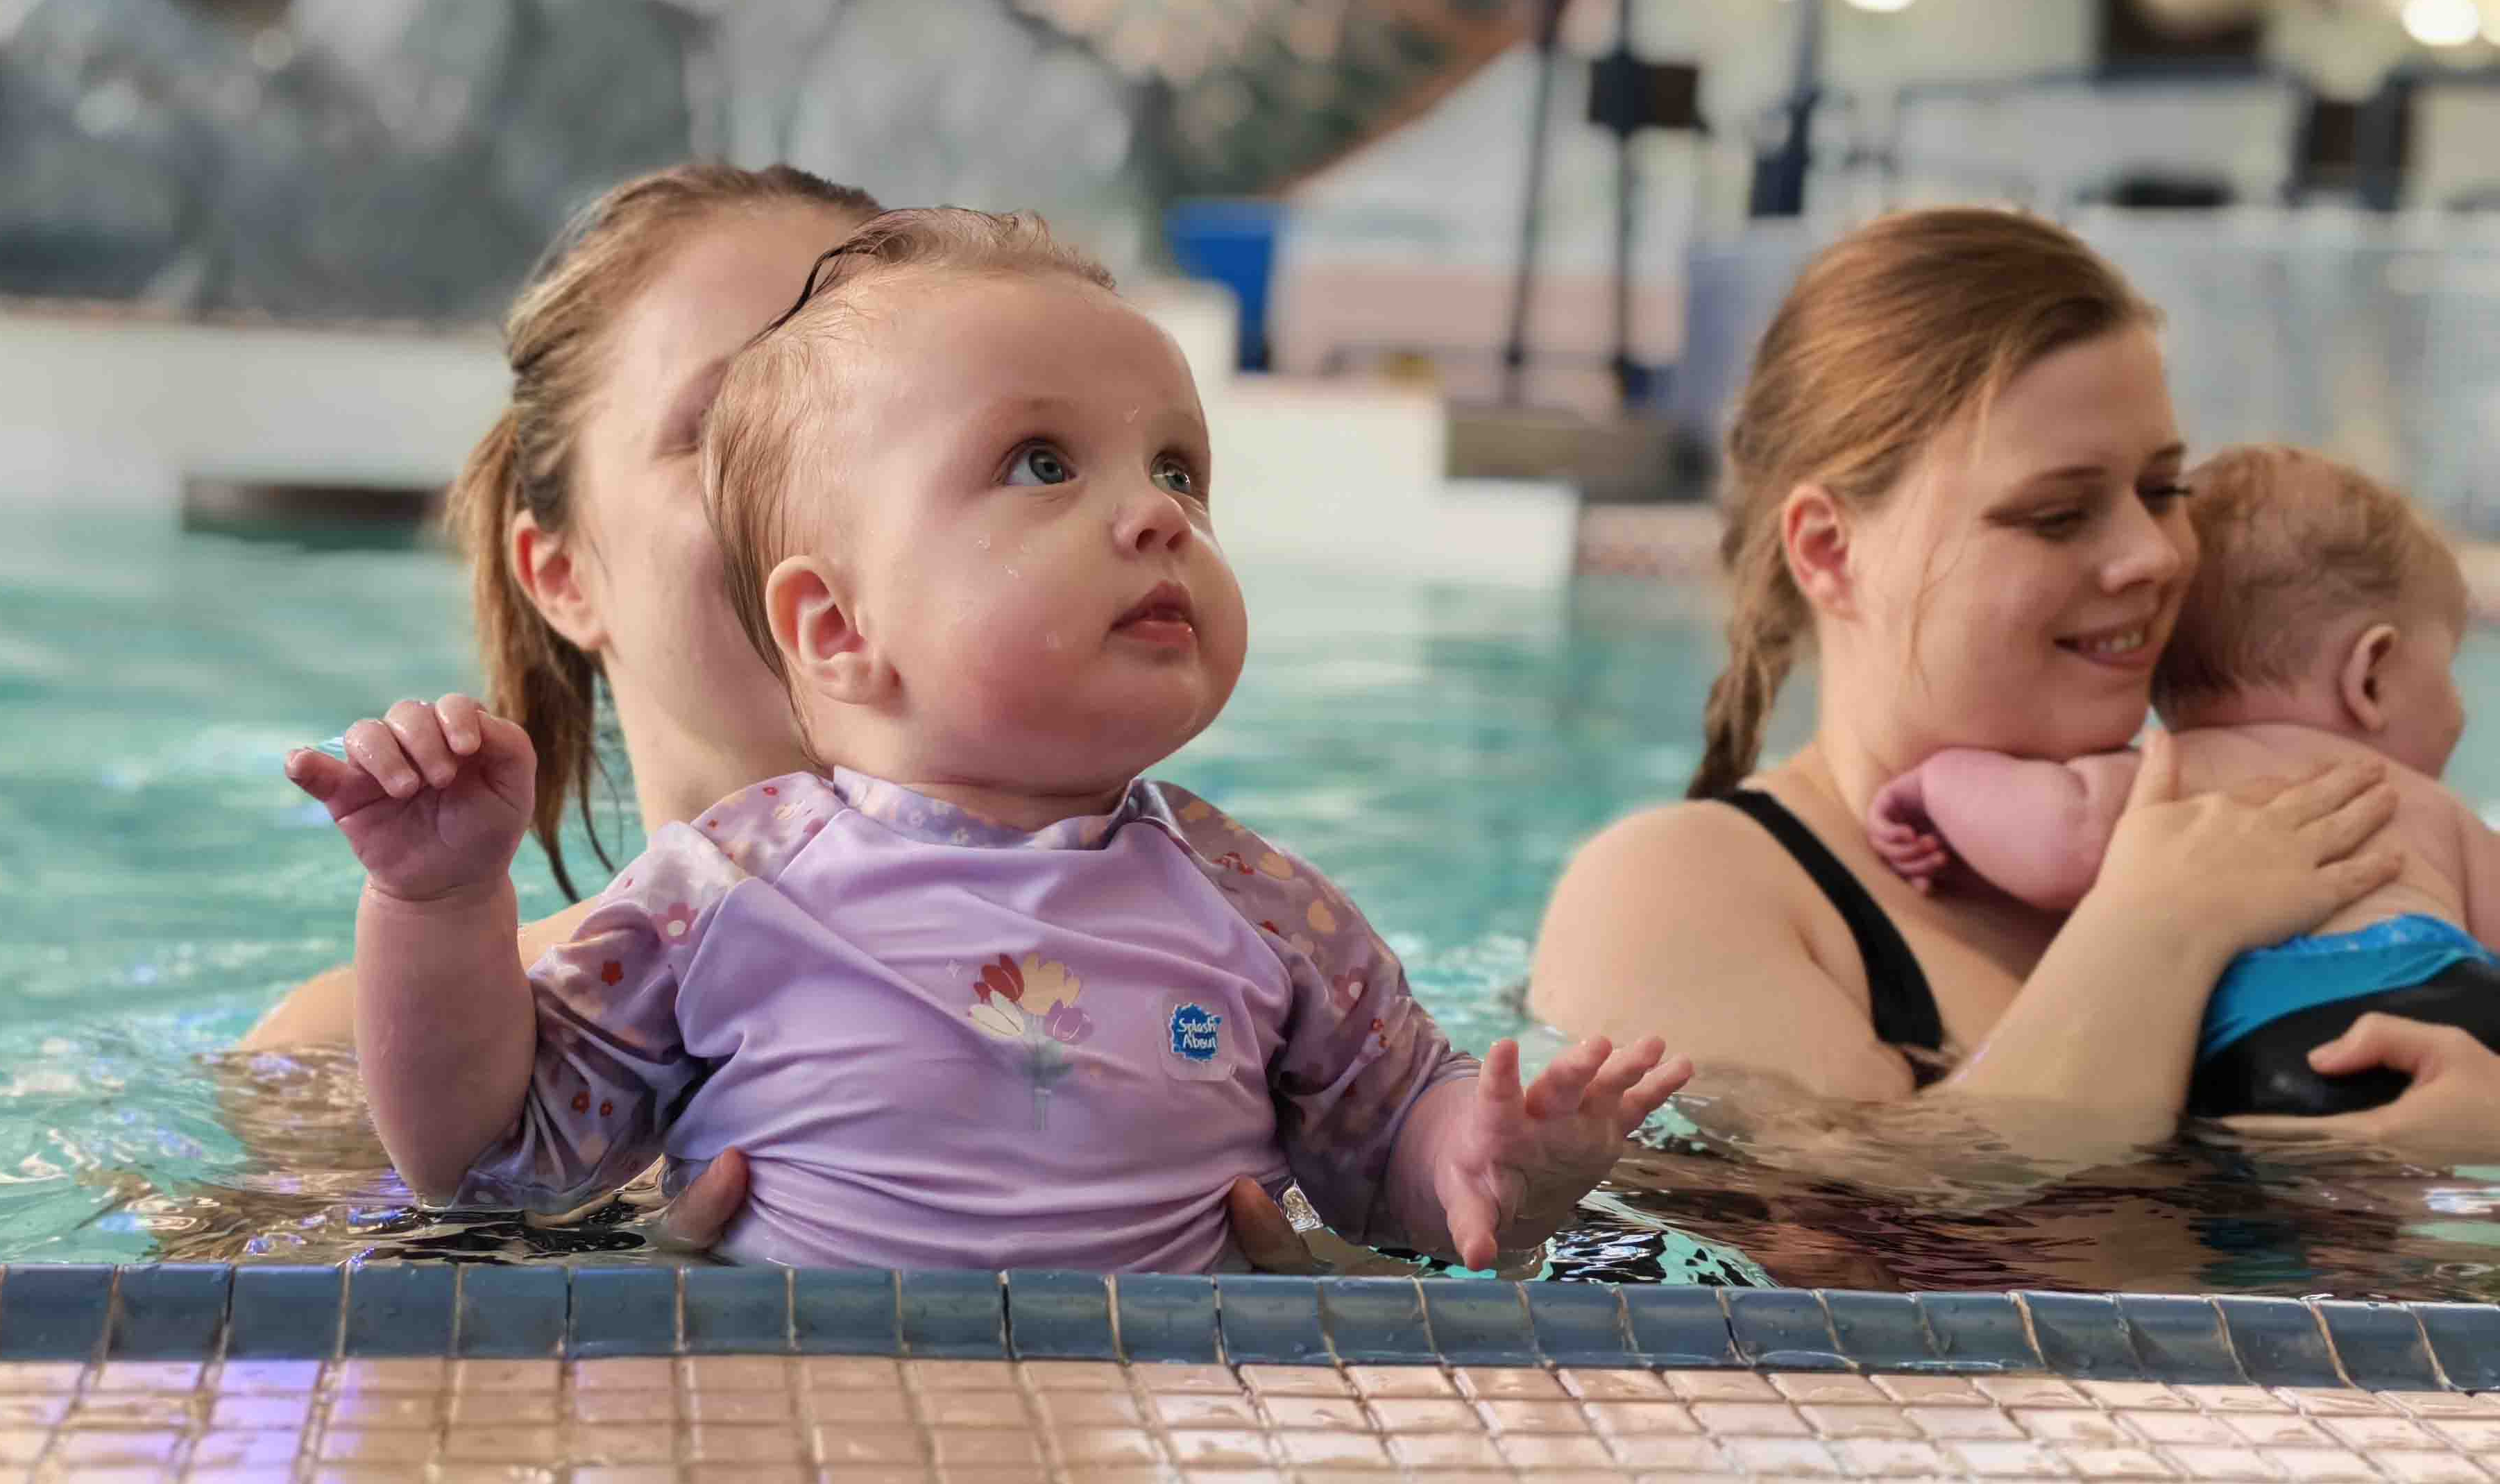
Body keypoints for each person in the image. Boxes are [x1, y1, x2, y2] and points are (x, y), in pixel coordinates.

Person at [289, 208, 1692, 1272]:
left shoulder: (1261, 907)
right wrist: (437, 900)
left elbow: (1393, 1147)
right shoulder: (719, 898)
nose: (1157, 517)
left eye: (1178, 471)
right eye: (1041, 464)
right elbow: (490, 1158)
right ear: (835, 626)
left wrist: (1494, 1157)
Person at [245, 162, 1309, 1256]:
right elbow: (216, 1363)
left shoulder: (1235, 965)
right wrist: (584, 1271)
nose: (807, 486)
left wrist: (1323, 1278)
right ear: (559, 571)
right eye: (728, 430)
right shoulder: (336, 1056)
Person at [1527, 207, 2451, 1156]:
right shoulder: (1678, 888)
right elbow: (1884, 1239)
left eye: (2165, 491)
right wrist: (2162, 928)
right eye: (2058, 514)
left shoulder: (2251, 838)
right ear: (1831, 550)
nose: (2155, 555)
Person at [1865, 445, 2499, 1118]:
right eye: (2449, 671)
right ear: (2370, 674)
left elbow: (2061, 843)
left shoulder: (2164, 781)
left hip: (2274, 1056)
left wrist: (1935, 782)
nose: (2461, 708)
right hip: (2464, 1009)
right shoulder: (2431, 808)